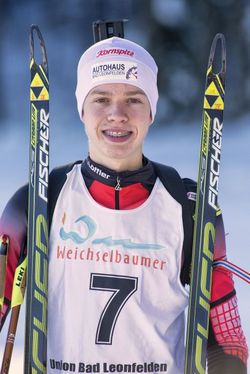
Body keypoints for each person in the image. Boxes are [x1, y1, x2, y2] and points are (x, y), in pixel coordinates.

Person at [0, 36, 248, 373]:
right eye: (101, 99)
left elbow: (224, 334)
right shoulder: (37, 202)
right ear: (83, 109)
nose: (117, 114)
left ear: (151, 112)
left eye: (134, 99)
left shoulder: (190, 209)